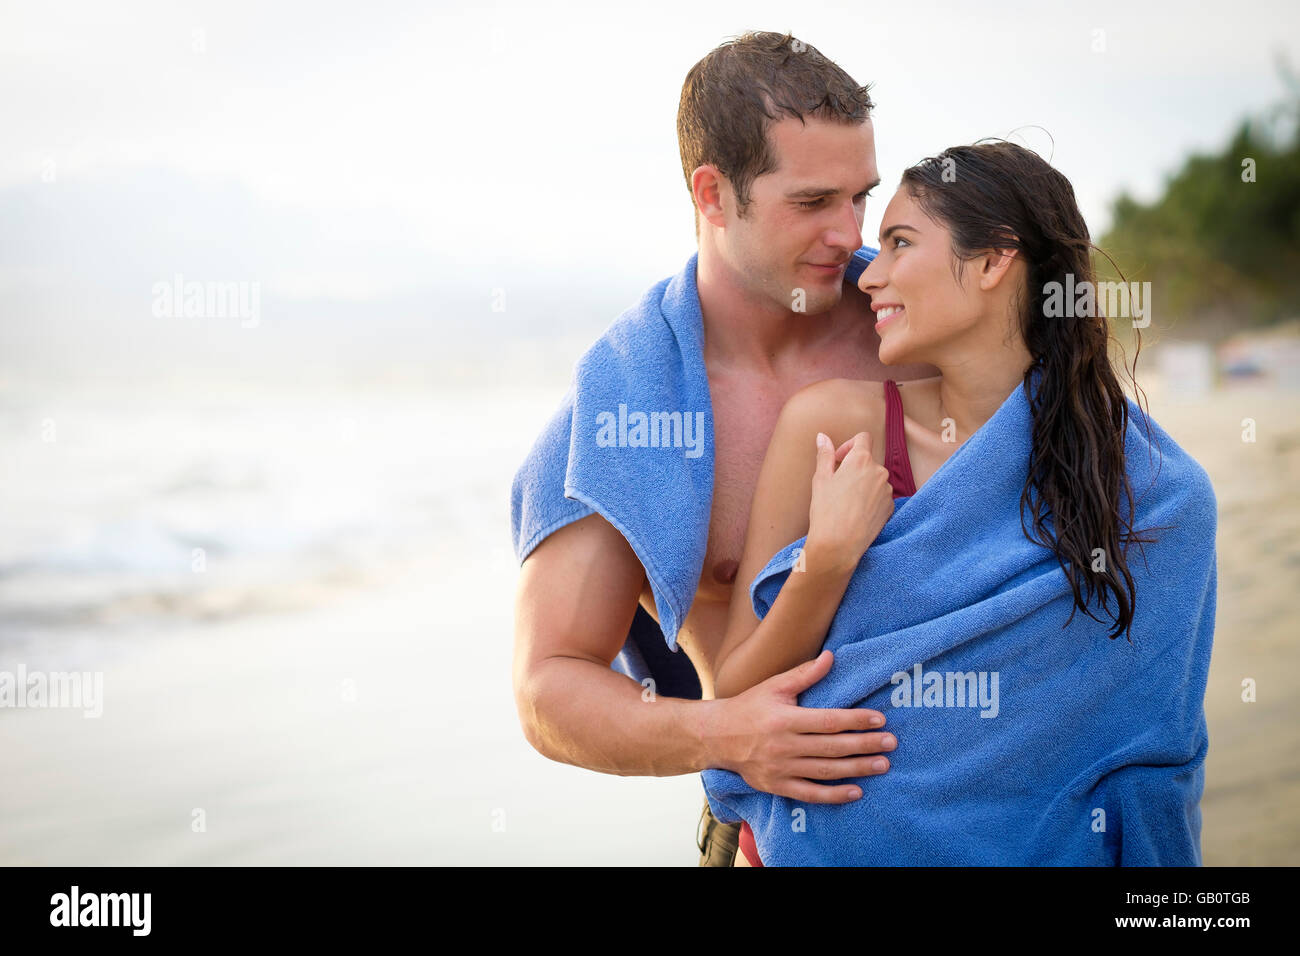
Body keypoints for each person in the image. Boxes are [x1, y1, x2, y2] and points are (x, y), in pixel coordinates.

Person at [710, 141, 1216, 866]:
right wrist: (825, 561)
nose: (870, 276)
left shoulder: (1157, 495)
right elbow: (736, 689)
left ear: (990, 262)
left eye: (899, 244)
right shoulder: (833, 428)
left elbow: (1146, 745)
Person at [509, 31, 935, 866]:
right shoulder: (625, 412)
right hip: (781, 837)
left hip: (1001, 813)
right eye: (813, 203)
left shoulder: (915, 328)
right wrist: (727, 732)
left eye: (862, 197)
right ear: (713, 193)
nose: (849, 233)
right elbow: (546, 686)